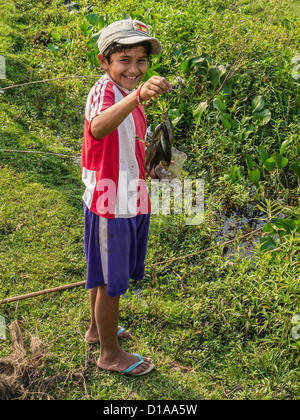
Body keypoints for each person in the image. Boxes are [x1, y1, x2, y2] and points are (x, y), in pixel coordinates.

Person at [81, 19, 173, 376]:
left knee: (104, 275)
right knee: (110, 282)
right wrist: (138, 94)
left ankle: (95, 329)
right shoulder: (104, 91)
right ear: (104, 62)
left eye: (141, 60)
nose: (134, 69)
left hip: (131, 195)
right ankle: (109, 353)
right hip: (110, 203)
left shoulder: (130, 95)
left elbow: (131, 140)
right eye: (124, 60)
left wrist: (152, 168)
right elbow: (99, 127)